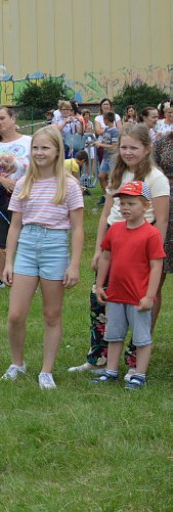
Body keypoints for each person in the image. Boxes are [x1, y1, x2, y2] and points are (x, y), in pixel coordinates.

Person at [69, 124, 170, 374]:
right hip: (113, 246)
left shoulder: (155, 178)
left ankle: (135, 361)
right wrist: (98, 251)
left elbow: (162, 219)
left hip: (139, 249)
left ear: (147, 149)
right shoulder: (118, 173)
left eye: (134, 148)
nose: (127, 152)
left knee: (138, 307)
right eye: (123, 147)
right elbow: (106, 215)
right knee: (100, 299)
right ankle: (99, 358)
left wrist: (152, 255)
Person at [0, 127, 84, 388]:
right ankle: (18, 363)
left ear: (58, 151)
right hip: (27, 245)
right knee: (15, 315)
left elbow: (78, 228)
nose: (39, 153)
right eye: (36, 148)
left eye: (45, 148)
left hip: (55, 248)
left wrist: (74, 264)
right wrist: (9, 262)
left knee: (51, 314)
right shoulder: (24, 182)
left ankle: (46, 370)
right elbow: (15, 225)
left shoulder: (68, 184)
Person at [91, 181, 165, 390]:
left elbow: (156, 266)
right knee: (114, 335)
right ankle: (111, 372)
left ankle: (139, 374)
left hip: (138, 296)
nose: (125, 208)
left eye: (131, 203)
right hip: (115, 294)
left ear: (145, 206)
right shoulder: (114, 230)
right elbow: (106, 257)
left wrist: (150, 296)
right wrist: (99, 286)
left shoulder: (151, 234)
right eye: (122, 203)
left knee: (142, 338)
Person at [0, 108, 32, 291]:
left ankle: (29, 276)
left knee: (26, 236)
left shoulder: (29, 141)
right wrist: (2, 180)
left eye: (3, 118)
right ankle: (0, 277)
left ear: (12, 119)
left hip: (25, 195)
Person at [152, 119, 173, 332]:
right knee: (155, 277)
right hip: (164, 208)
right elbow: (154, 173)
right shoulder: (161, 144)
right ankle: (144, 337)